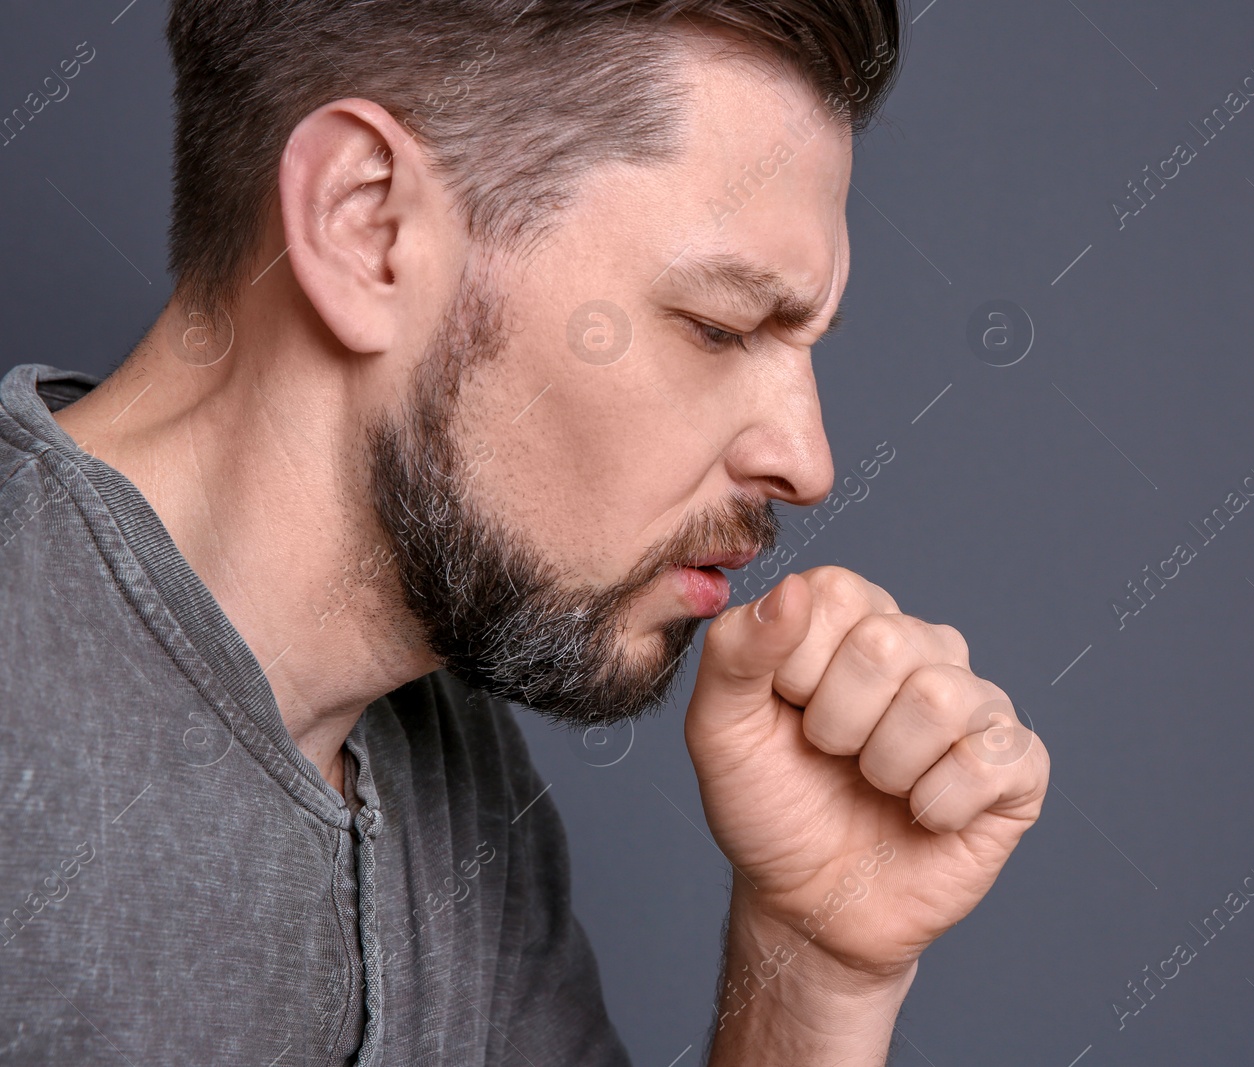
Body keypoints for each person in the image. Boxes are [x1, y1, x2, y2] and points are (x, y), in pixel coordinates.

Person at [0, 1, 1049, 1062]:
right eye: (719, 326)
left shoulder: (445, 760)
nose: (807, 460)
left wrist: (811, 968)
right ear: (366, 225)